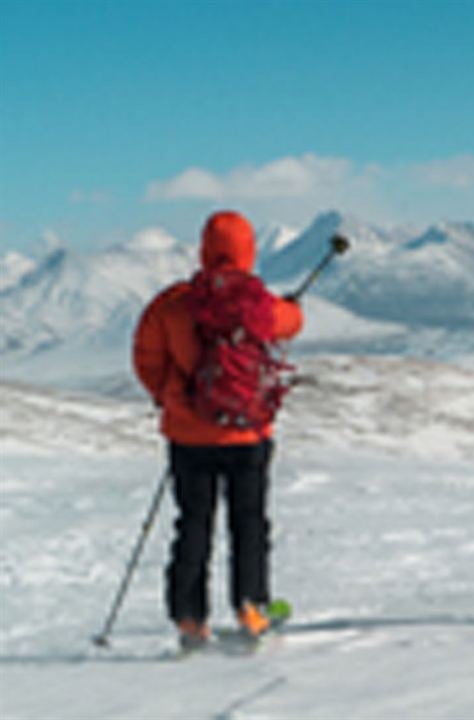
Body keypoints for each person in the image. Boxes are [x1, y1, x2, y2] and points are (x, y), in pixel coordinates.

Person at [132, 211, 303, 644]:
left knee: (193, 525)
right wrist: (289, 308)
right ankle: (252, 609)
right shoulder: (260, 303)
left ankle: (190, 619)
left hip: (189, 436)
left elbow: (147, 357)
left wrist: (169, 398)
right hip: (248, 434)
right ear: (249, 251)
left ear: (204, 249)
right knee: (248, 523)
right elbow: (292, 324)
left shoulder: (172, 303)